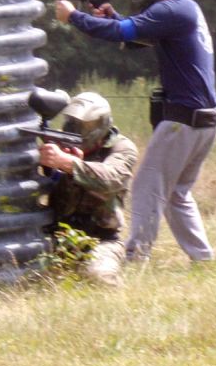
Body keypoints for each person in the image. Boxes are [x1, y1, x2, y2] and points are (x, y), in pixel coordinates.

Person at [55, 0, 216, 264]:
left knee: (148, 185)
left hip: (183, 121)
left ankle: (135, 257)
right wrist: (111, 16)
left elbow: (123, 33)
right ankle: (202, 259)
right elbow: (138, 37)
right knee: (176, 193)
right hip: (204, 121)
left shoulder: (170, 9)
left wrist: (74, 16)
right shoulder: (185, 8)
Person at [36, 91, 139, 283]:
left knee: (97, 275)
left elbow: (111, 178)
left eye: (85, 126)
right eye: (72, 123)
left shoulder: (122, 148)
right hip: (56, 234)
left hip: (101, 240)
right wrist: (46, 161)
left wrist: (68, 163)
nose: (76, 130)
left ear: (102, 125)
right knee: (20, 266)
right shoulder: (59, 143)